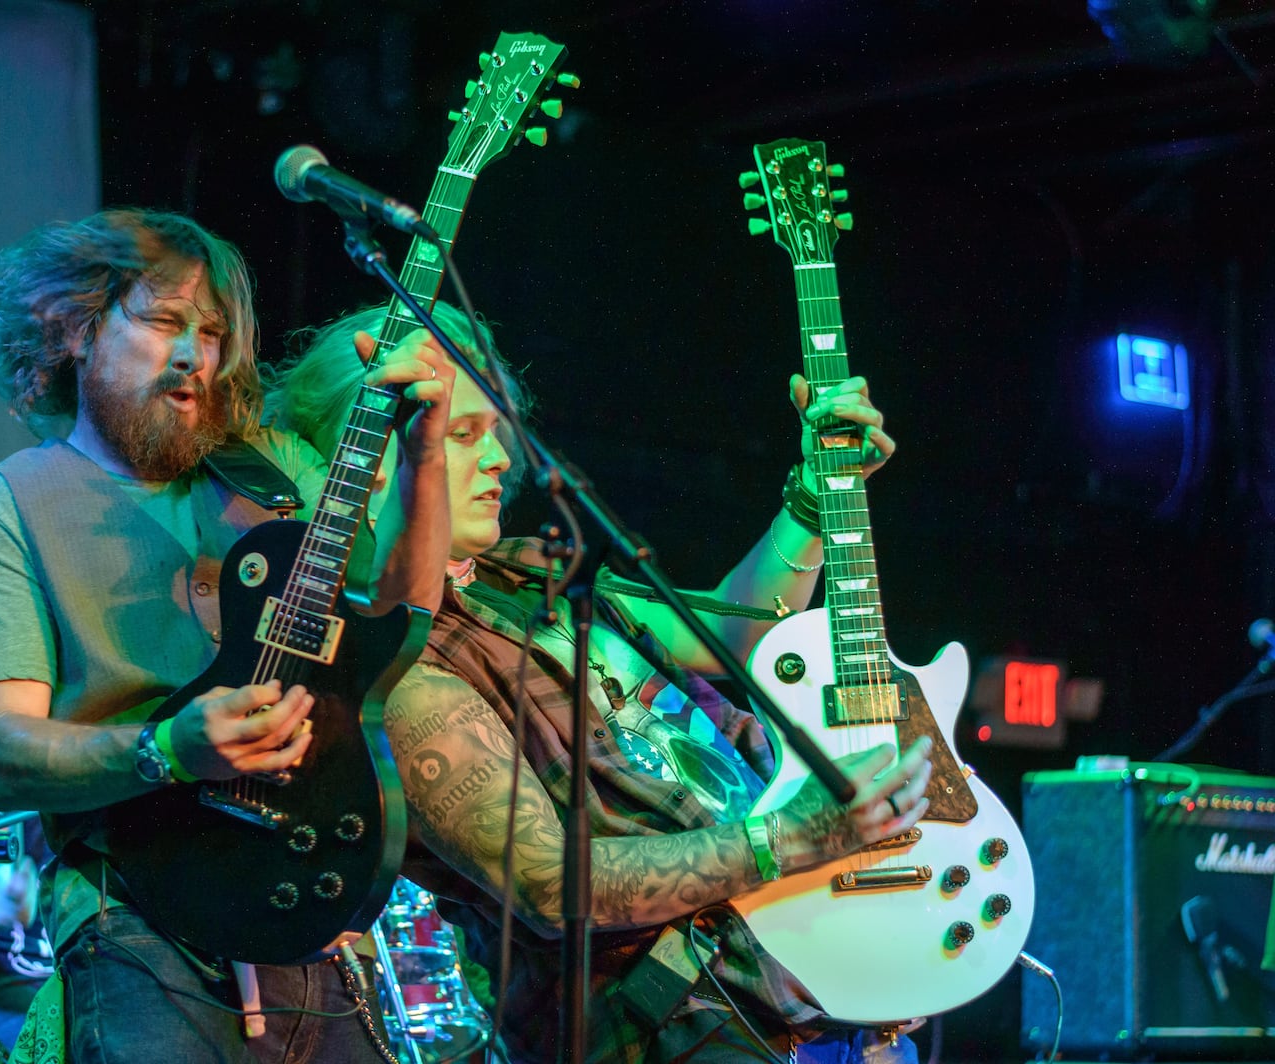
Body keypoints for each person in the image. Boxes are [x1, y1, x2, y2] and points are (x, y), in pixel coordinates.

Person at [271, 302, 932, 1064]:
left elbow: (738, 636)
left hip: (803, 990)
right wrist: (787, 839)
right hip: (669, 1026)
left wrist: (815, 499)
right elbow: (554, 888)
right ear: (373, 457)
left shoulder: (520, 574)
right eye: (462, 434)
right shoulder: (402, 668)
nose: (498, 460)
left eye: (496, 431)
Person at [0, 209, 456, 1063]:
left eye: (212, 332)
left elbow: (399, 624)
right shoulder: (7, 506)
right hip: (139, 914)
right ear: (75, 330)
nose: (195, 356)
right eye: (162, 322)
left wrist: (425, 461)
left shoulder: (276, 470)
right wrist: (165, 751)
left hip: (309, 894)